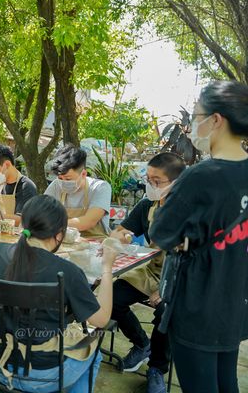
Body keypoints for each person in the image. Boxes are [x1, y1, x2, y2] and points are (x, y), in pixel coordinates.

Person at [150, 80, 248, 393]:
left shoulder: (200, 177)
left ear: (216, 120)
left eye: (196, 116)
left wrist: (186, 236)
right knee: (226, 382)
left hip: (198, 305)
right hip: (235, 304)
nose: (192, 125)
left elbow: (160, 232)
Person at [0, 195, 117, 392]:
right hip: (41, 375)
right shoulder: (66, 272)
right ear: (60, 235)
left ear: (23, 224)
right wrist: (107, 267)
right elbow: (101, 320)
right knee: (94, 352)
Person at [109, 152, 186, 393]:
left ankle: (156, 369)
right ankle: (141, 344)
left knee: (166, 311)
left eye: (157, 181)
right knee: (111, 296)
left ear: (177, 182)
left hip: (181, 276)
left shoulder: (190, 211)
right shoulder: (147, 206)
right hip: (151, 270)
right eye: (148, 180)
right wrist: (121, 236)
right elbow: (118, 232)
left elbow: (196, 259)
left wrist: (166, 289)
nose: (151, 186)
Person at [44, 145, 112, 238]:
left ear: (83, 174)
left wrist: (53, 225)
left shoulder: (100, 187)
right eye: (60, 178)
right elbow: (43, 214)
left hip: (95, 241)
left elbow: (89, 221)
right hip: (65, 241)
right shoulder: (56, 185)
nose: (63, 182)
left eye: (68, 179)